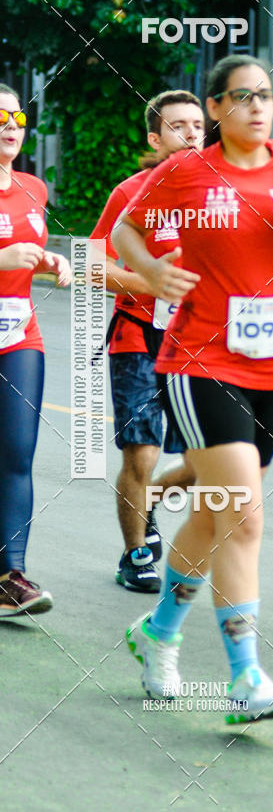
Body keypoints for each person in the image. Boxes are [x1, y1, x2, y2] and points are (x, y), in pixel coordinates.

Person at [112, 55, 273, 722]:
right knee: (244, 515)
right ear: (217, 108)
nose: (258, 106)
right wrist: (151, 273)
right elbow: (123, 229)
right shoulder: (187, 171)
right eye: (242, 96)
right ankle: (245, 674)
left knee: (213, 514)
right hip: (200, 364)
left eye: (266, 95)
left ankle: (157, 632)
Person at [91, 91, 203, 592]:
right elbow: (95, 265)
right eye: (179, 126)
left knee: (211, 460)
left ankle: (150, 498)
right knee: (140, 453)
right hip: (137, 336)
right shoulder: (129, 193)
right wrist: (151, 281)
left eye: (198, 125)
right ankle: (136, 554)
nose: (192, 134)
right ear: (156, 139)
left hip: (199, 341)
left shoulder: (221, 195)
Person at [0, 83, 71, 616]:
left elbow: (29, 248)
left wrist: (50, 261)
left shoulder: (33, 187)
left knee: (18, 451)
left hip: (18, 333)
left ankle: (10, 577)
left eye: (18, 115)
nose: (11, 124)